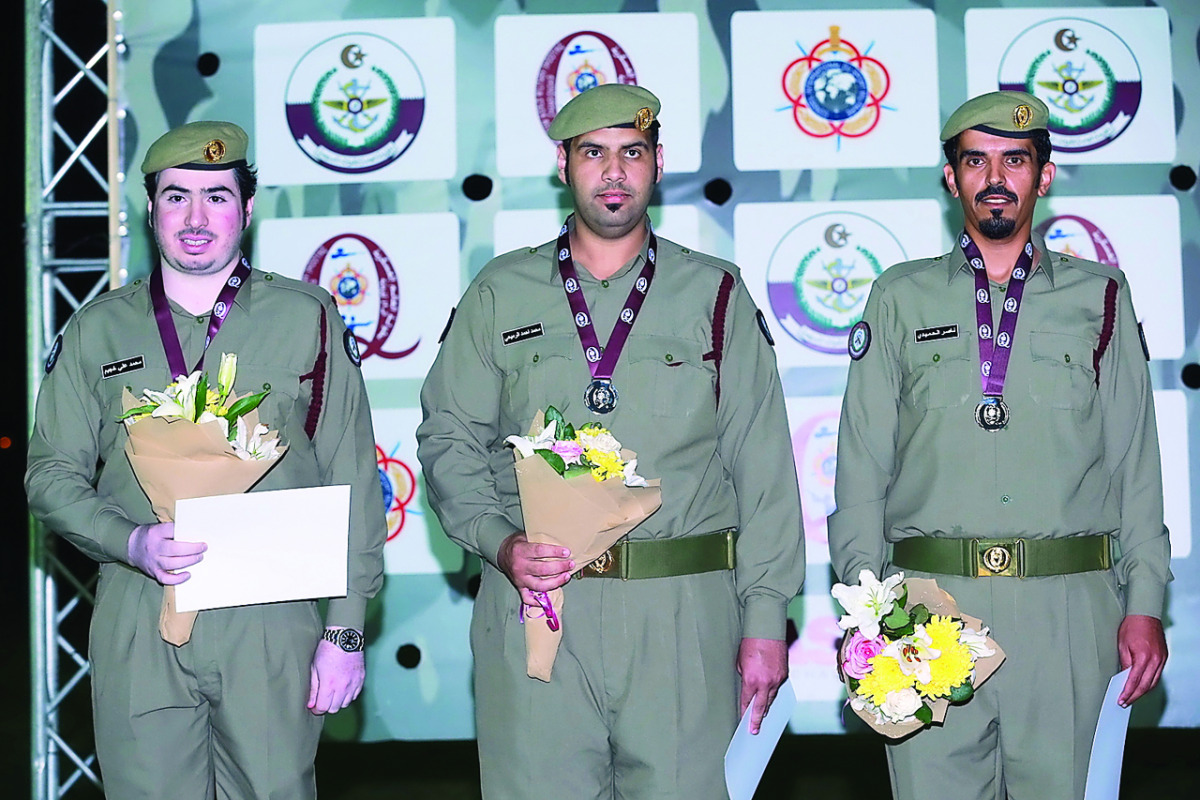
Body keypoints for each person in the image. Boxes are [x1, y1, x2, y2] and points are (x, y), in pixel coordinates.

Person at [417, 84, 804, 798]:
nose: (614, 171)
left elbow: (763, 467)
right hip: (537, 607)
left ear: (658, 163)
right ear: (563, 164)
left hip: (681, 612)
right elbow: (449, 438)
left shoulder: (714, 293)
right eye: (593, 153)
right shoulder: (500, 292)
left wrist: (765, 618)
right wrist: (499, 542)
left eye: (633, 152)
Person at [25, 121, 386, 799]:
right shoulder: (98, 329)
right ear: (150, 209)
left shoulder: (305, 316)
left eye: (216, 197)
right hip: (140, 609)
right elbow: (49, 475)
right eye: (176, 196)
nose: (195, 219)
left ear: (246, 209)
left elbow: (353, 478)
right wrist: (129, 541)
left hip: (271, 616)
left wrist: (344, 630)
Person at [829, 90, 1170, 800]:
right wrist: (871, 615)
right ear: (950, 178)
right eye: (975, 161)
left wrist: (1144, 602)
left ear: (1044, 176)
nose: (994, 178)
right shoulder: (898, 297)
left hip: (1068, 612)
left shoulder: (1101, 296)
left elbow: (1135, 465)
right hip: (926, 612)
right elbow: (862, 466)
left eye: (1014, 160)